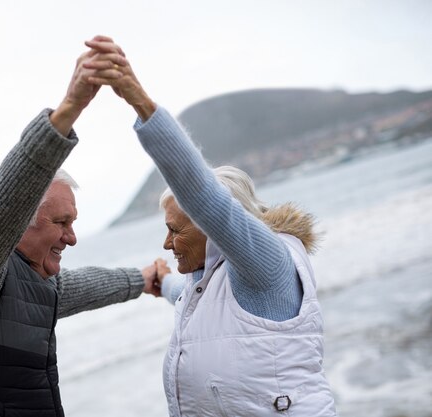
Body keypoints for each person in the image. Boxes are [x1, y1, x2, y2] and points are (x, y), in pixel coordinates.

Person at [0, 38, 160, 417]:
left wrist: (143, 279)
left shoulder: (35, 284)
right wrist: (69, 109)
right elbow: (0, 206)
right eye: (61, 222)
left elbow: (85, 286)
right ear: (19, 219)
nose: (71, 237)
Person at [84, 36, 337, 416]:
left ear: (214, 227)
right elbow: (190, 298)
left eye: (175, 229)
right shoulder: (208, 279)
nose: (167, 243)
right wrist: (161, 282)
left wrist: (138, 100)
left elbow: (202, 193)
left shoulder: (265, 262)